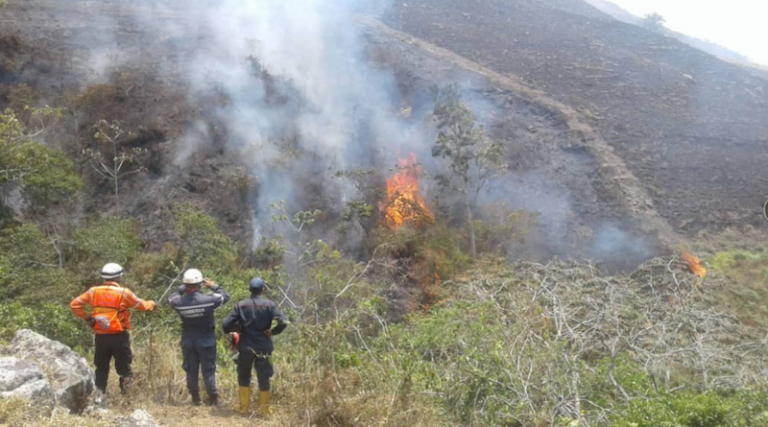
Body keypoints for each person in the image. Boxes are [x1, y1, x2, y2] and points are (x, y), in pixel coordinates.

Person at [69, 263, 156, 402]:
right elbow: (142, 306)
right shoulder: (123, 293)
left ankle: (99, 395)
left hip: (100, 337)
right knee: (124, 368)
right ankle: (126, 398)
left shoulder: (93, 292)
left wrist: (87, 318)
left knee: (101, 367)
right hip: (119, 337)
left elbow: (74, 304)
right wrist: (153, 304)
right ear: (118, 276)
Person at [223, 278, 288, 415]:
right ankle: (264, 410)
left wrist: (236, 330)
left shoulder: (240, 305)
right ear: (263, 289)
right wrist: (273, 332)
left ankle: (244, 408)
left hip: (245, 347)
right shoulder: (270, 305)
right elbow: (283, 321)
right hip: (264, 346)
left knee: (243, 376)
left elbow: (226, 324)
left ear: (249, 289)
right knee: (264, 377)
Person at [168, 268, 230, 406]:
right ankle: (213, 399)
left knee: (191, 369)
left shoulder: (179, 302)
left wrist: (182, 288)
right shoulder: (207, 300)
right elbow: (225, 296)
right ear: (199, 284)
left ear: (186, 285)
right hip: (206, 340)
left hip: (188, 340)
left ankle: (195, 399)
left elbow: (171, 297)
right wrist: (213, 285)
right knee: (208, 370)